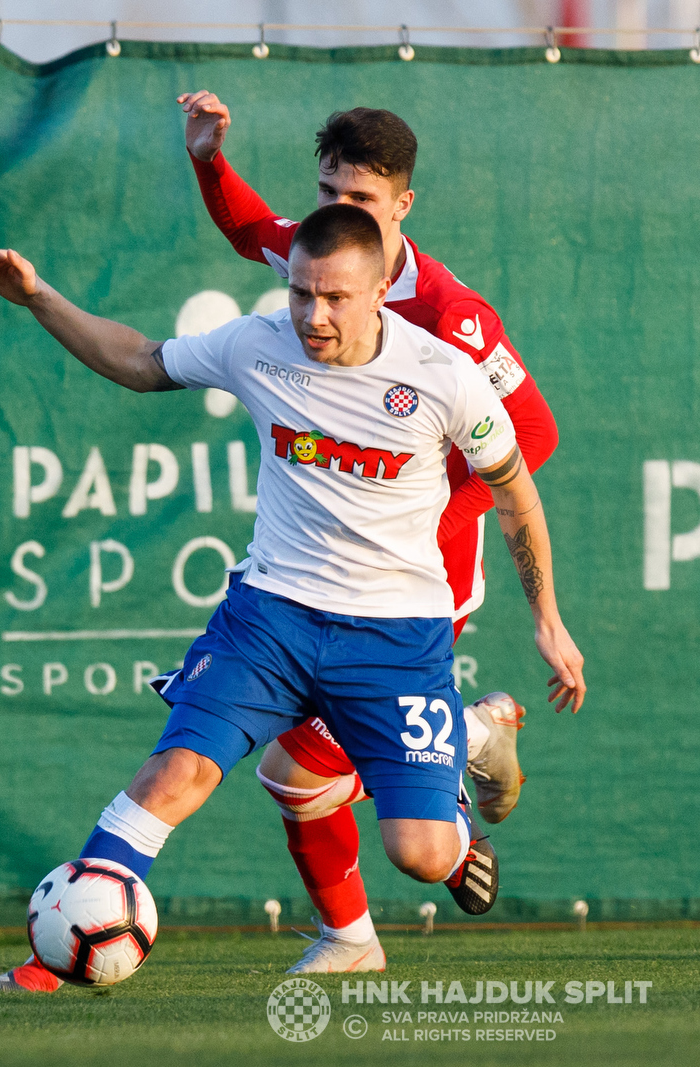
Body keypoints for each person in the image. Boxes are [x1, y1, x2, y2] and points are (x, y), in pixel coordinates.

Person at [0, 203, 586, 995]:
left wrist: (548, 619)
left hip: (395, 639)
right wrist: (41, 296)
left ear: (376, 295)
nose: (312, 313)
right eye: (300, 293)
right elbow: (140, 360)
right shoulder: (257, 344)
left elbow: (515, 491)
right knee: (175, 774)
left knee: (422, 854)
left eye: (333, 297)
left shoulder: (442, 375)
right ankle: (58, 956)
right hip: (271, 617)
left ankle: (467, 736)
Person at [176, 95, 562, 972]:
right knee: (297, 771)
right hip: (321, 584)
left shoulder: (451, 314)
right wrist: (207, 158)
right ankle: (464, 744)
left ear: (404, 207)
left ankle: (391, 886)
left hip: (416, 583)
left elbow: (530, 436)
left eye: (363, 198)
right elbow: (250, 229)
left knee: (301, 767)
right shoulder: (327, 260)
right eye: (326, 190)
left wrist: (436, 516)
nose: (338, 211)